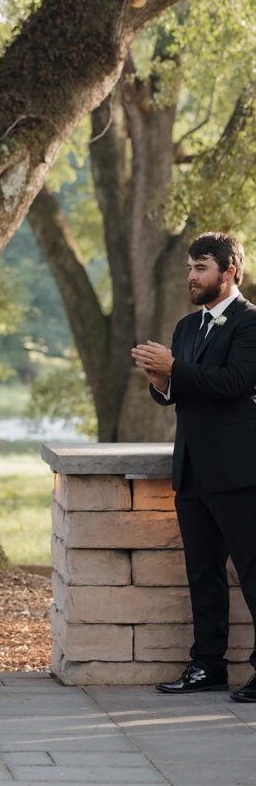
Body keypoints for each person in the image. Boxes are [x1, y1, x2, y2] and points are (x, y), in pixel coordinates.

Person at [131, 232, 256, 701]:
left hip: (239, 471)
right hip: (192, 471)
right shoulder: (185, 328)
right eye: (189, 267)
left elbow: (235, 382)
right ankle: (208, 666)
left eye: (201, 267)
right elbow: (178, 394)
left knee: (252, 570)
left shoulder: (249, 323)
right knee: (202, 575)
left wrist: (174, 370)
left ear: (229, 272)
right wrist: (160, 381)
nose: (191, 276)